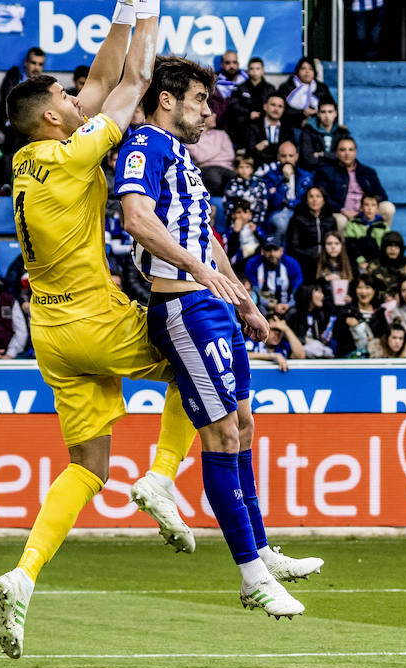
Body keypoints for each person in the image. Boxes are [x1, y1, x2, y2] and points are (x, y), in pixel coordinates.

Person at [0, 0, 201, 659]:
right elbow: (134, 83)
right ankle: (163, 480)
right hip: (93, 316)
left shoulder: (29, 158)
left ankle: (24, 575)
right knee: (192, 362)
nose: (72, 94)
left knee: (87, 465)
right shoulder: (73, 149)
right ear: (53, 116)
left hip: (50, 335)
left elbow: (100, 79)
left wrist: (117, 3)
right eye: (61, 93)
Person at [116, 54, 321, 619]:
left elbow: (207, 239)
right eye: (200, 100)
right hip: (183, 306)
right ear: (167, 100)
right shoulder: (145, 146)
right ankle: (250, 575)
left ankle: (262, 550)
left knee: (246, 424)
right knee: (223, 435)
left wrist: (243, 298)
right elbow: (136, 217)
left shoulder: (182, 156)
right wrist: (199, 272)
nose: (208, 110)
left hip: (214, 303)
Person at [314, 136, 394, 235]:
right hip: (342, 212)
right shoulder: (326, 172)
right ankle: (344, 249)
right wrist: (343, 210)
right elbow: (324, 198)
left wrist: (367, 208)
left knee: (388, 208)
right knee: (340, 221)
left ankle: (381, 241)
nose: (347, 153)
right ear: (336, 152)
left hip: (365, 210)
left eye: (350, 150)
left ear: (355, 152)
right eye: (343, 150)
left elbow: (381, 195)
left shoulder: (367, 172)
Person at [257, 141, 313, 245]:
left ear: (296, 157)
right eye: (284, 156)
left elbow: (307, 201)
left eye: (290, 156)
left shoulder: (306, 176)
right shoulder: (270, 177)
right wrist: (284, 180)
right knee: (282, 223)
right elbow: (274, 203)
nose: (287, 159)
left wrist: (292, 203)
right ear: (278, 157)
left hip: (301, 212)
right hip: (279, 212)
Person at [0, 45, 45, 148]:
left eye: (40, 64)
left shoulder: (45, 85)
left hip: (34, 128)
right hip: (12, 127)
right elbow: (9, 103)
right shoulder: (13, 78)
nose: (36, 68)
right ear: (26, 62)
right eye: (33, 63)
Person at [286, 186, 337, 283]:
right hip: (306, 259)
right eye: (311, 197)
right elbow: (293, 247)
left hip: (327, 257)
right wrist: (313, 254)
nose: (315, 200)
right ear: (306, 200)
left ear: (324, 200)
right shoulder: (298, 219)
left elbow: (335, 241)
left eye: (318, 196)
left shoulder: (330, 219)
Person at [244, 237, 304, 317]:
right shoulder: (253, 264)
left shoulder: (291, 264)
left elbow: (298, 291)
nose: (272, 254)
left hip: (287, 306)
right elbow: (253, 292)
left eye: (275, 250)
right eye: (268, 250)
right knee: (257, 311)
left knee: (295, 312)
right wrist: (271, 305)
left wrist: (288, 305)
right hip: (263, 306)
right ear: (262, 251)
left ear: (281, 251)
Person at [224, 57, 275, 148]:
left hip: (264, 121)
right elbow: (234, 105)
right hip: (245, 123)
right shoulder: (240, 88)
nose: (255, 71)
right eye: (252, 69)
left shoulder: (270, 89)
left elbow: (274, 106)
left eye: (258, 68)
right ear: (248, 71)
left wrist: (262, 114)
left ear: (263, 70)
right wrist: (249, 113)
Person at [333, 273, 387, 358]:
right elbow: (336, 336)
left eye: (367, 287)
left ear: (374, 291)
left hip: (374, 358)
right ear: (355, 290)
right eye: (360, 287)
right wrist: (345, 322)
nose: (363, 291)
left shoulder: (380, 312)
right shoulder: (346, 311)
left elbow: (385, 337)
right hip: (350, 359)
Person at [277, 58, 335, 130]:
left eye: (310, 69)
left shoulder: (321, 88)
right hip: (293, 126)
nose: (307, 72)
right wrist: (302, 112)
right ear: (298, 71)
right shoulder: (287, 87)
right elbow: (281, 109)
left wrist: (317, 112)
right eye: (303, 68)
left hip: (318, 125)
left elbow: (331, 107)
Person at [187, 111, 235, 196]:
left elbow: (230, 155)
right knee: (214, 179)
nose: (215, 115)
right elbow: (199, 157)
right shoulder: (191, 137)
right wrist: (219, 150)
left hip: (226, 168)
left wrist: (208, 156)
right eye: (212, 113)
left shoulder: (221, 134)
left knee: (237, 179)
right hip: (207, 169)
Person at [298, 97, 349, 172]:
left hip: (337, 173)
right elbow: (308, 158)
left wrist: (322, 154)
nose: (327, 116)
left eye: (330, 112)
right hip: (315, 172)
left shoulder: (342, 132)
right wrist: (332, 158)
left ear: (335, 113)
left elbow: (344, 156)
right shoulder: (308, 131)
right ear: (318, 114)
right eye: (323, 112)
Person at [286, 284, 337, 358]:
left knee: (328, 351)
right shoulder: (293, 313)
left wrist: (322, 337)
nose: (322, 295)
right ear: (308, 293)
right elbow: (286, 336)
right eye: (318, 292)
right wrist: (305, 340)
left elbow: (317, 338)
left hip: (315, 348)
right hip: (297, 349)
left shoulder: (319, 315)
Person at [244, 94, 293, 169]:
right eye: (273, 105)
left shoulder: (288, 129)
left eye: (280, 106)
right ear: (265, 107)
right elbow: (250, 152)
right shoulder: (253, 126)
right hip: (258, 167)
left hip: (281, 168)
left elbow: (288, 152)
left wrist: (265, 145)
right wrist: (277, 149)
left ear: (283, 110)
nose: (276, 109)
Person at [344, 194, 389, 272]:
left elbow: (385, 247)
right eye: (366, 205)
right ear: (361, 208)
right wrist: (361, 261)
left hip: (377, 262)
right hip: (358, 260)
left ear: (377, 209)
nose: (369, 208)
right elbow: (350, 245)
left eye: (373, 205)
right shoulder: (353, 223)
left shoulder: (383, 226)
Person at [367, 230, 406, 297]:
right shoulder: (373, 265)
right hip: (380, 302)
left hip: (404, 300)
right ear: (384, 248)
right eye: (389, 246)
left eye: (396, 246)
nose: (393, 249)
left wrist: (400, 296)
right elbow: (368, 289)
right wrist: (386, 297)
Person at [223, 155, 267, 224]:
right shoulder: (231, 184)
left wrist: (255, 220)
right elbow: (227, 203)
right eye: (241, 167)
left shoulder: (259, 184)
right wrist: (234, 217)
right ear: (236, 169)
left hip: (255, 221)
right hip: (236, 220)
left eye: (247, 167)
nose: (244, 170)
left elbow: (263, 203)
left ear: (252, 169)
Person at [315, 231, 354, 306]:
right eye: (329, 244)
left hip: (343, 305)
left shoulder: (351, 264)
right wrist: (325, 279)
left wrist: (351, 298)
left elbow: (355, 288)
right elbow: (309, 287)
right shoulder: (315, 263)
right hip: (322, 305)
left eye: (336, 243)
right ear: (324, 246)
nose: (333, 247)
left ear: (341, 245)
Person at [210, 50, 247, 125]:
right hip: (219, 125)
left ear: (238, 64)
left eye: (234, 62)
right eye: (227, 63)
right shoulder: (213, 81)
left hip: (243, 125)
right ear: (222, 64)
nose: (231, 66)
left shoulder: (246, 79)